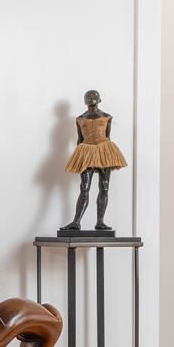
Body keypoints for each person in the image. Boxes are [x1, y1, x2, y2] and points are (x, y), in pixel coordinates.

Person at [59, 89, 126, 236]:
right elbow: (80, 140)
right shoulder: (80, 119)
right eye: (88, 96)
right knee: (84, 187)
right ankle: (76, 222)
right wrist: (78, 157)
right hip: (86, 150)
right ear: (84, 100)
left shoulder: (107, 117)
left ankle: (100, 221)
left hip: (104, 149)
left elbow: (107, 137)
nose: (91, 98)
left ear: (100, 99)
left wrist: (106, 152)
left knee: (104, 186)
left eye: (94, 96)